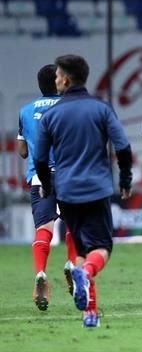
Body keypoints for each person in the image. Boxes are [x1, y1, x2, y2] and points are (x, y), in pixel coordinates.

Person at [35, 54, 133, 328]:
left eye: (57, 76)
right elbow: (123, 147)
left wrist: (47, 185)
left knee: (81, 247)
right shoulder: (101, 109)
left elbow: (40, 160)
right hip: (97, 188)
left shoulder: (50, 116)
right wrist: (125, 179)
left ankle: (89, 313)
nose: (55, 81)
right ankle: (86, 274)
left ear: (65, 79)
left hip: (66, 193)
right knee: (101, 248)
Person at [17, 64, 78, 311]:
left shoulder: (25, 111)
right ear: (59, 82)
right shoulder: (71, 108)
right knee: (74, 224)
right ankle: (72, 264)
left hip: (40, 177)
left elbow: (22, 151)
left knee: (44, 228)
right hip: (68, 175)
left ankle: (41, 273)